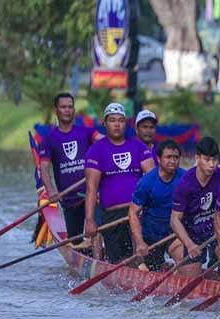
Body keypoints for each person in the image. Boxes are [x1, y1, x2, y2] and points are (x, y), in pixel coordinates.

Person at [84, 103, 155, 263]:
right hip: (112, 216)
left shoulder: (138, 147)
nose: (117, 124)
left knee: (143, 258)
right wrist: (89, 220)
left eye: (121, 120)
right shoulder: (95, 150)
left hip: (137, 212)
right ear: (104, 123)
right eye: (112, 120)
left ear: (126, 123)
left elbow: (153, 179)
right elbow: (91, 189)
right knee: (120, 262)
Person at [38, 92, 103, 241]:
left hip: (93, 196)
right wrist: (50, 190)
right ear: (56, 110)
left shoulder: (86, 132)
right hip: (70, 200)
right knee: (76, 241)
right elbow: (44, 168)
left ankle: (102, 253)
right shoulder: (49, 140)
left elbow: (106, 142)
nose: (67, 110)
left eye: (70, 107)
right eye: (63, 107)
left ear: (74, 110)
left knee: (98, 234)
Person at [170, 136, 220, 276]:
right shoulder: (184, 184)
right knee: (190, 281)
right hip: (193, 234)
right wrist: (189, 244)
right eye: (207, 160)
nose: (212, 165)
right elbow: (174, 220)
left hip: (216, 231)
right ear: (197, 159)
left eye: (214, 160)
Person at [129, 140, 186, 271]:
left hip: (173, 233)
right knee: (148, 270)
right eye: (168, 157)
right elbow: (132, 213)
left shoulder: (185, 178)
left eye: (176, 157)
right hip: (150, 237)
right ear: (159, 159)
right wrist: (139, 242)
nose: (172, 161)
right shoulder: (147, 182)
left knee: (185, 262)